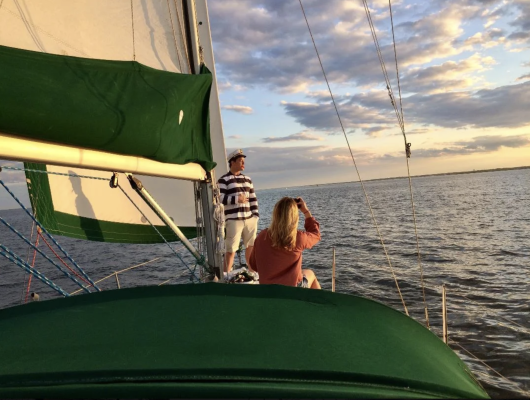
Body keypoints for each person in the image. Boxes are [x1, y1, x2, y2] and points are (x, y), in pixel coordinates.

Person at [250, 197, 321, 289]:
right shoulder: (298, 238)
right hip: (292, 292)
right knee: (310, 274)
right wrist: (306, 212)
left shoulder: (262, 236)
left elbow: (253, 265)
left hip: (267, 291)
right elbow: (316, 235)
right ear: (294, 218)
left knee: (305, 273)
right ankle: (321, 303)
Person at [217, 149, 259, 272]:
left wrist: (255, 216)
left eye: (243, 161)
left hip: (250, 219)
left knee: (251, 247)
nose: (243, 164)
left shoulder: (248, 179)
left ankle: (252, 273)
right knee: (231, 250)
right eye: (241, 161)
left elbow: (253, 198)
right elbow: (220, 198)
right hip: (234, 220)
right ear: (232, 162)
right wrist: (237, 199)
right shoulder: (223, 180)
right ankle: (225, 275)